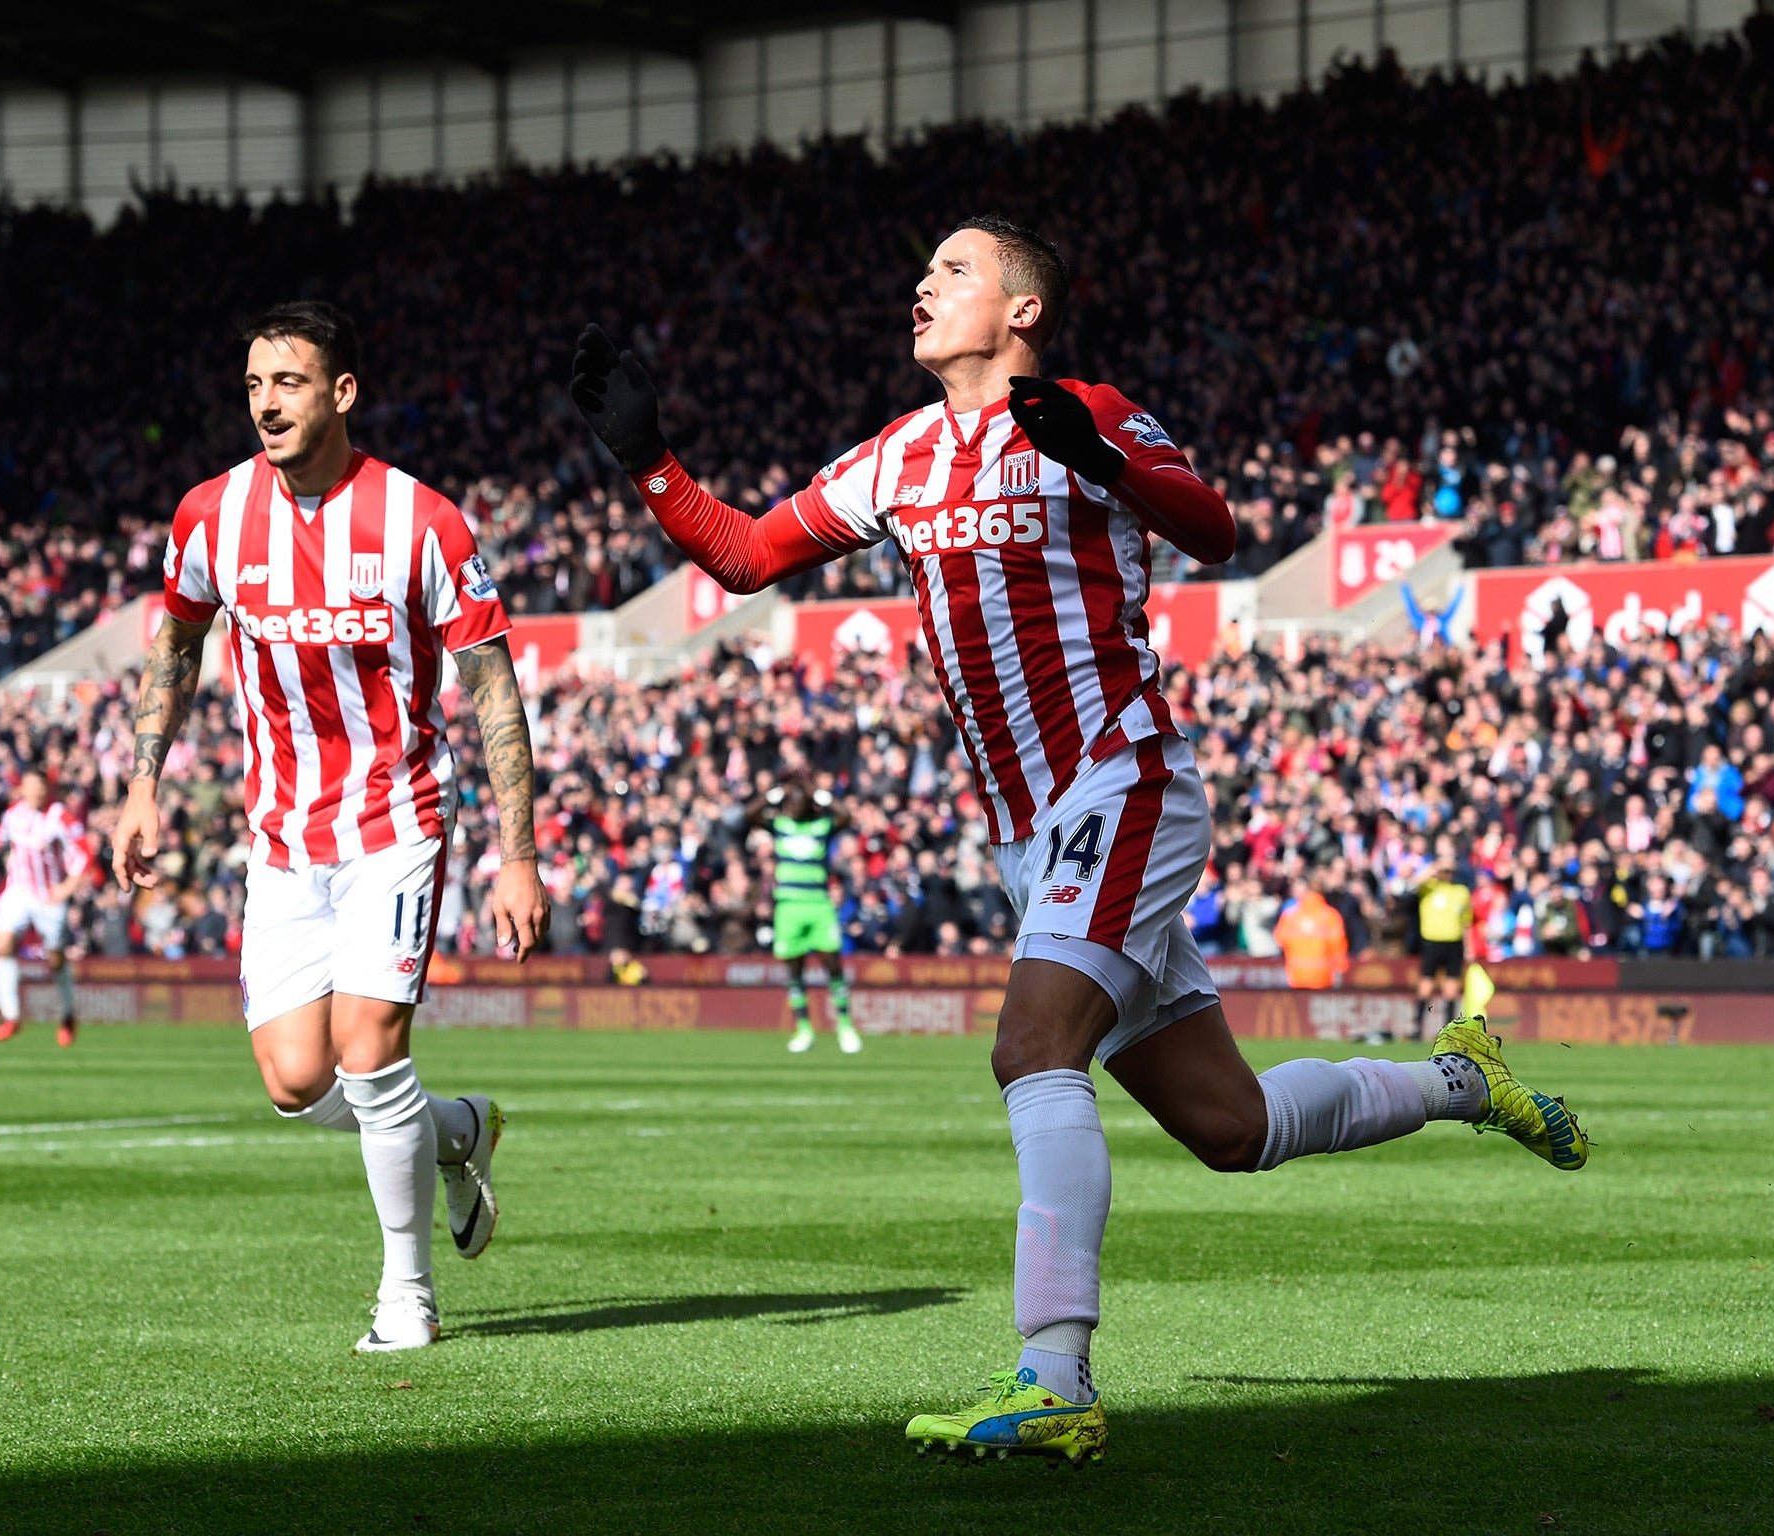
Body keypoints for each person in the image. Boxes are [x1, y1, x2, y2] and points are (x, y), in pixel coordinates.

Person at [570, 215, 1587, 1465]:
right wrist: (647, 460)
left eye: (950, 271)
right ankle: (1459, 1081)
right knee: (1232, 1129)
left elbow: (1211, 530)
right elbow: (741, 555)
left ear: (1022, 310)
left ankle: (1053, 1375)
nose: (920, 285)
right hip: (1030, 839)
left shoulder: (1087, 413)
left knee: (1028, 1048)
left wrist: (1102, 461)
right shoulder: (894, 458)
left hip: (1123, 785)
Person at [109, 301, 551, 1354]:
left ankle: (407, 1295)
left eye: (289, 382)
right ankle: (460, 1130)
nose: (266, 402)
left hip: (396, 820)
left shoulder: (422, 521)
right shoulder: (209, 514)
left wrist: (517, 855)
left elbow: (493, 692)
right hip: (280, 838)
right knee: (295, 1083)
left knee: (367, 1053)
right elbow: (172, 650)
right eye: (256, 383)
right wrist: (140, 785)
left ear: (341, 392)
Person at [0, 769, 89, 1045]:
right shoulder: (14, 813)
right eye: (29, 786)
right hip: (17, 891)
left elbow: (84, 850)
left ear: (47, 790)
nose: (34, 792)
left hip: (48, 895)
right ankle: (11, 1016)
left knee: (56, 959)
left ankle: (68, 1015)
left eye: (39, 787)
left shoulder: (59, 816)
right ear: (22, 788)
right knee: (2, 946)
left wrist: (67, 887)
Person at [751, 777, 861, 1054]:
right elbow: (748, 815)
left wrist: (820, 794)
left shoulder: (821, 827)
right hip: (788, 907)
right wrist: (777, 792)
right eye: (794, 798)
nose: (796, 801)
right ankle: (804, 1029)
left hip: (819, 905)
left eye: (801, 797)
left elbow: (845, 816)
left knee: (833, 967)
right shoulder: (781, 826)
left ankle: (845, 1026)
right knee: (794, 971)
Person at [1412, 855, 1473, 1040]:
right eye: (1444, 871)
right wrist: (1433, 868)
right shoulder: (1428, 888)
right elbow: (1413, 882)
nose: (1447, 874)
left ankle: (1449, 1030)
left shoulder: (1461, 891)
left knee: (1451, 988)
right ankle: (1417, 1028)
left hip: (1454, 943)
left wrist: (1469, 947)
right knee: (1426, 984)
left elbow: (1466, 922)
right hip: (1432, 942)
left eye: (1450, 871)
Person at [1273, 876, 1348, 990]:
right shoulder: (1330, 916)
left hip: (1296, 977)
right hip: (1323, 978)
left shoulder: (1290, 915)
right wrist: (1341, 971)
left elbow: (1279, 939)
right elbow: (1338, 947)